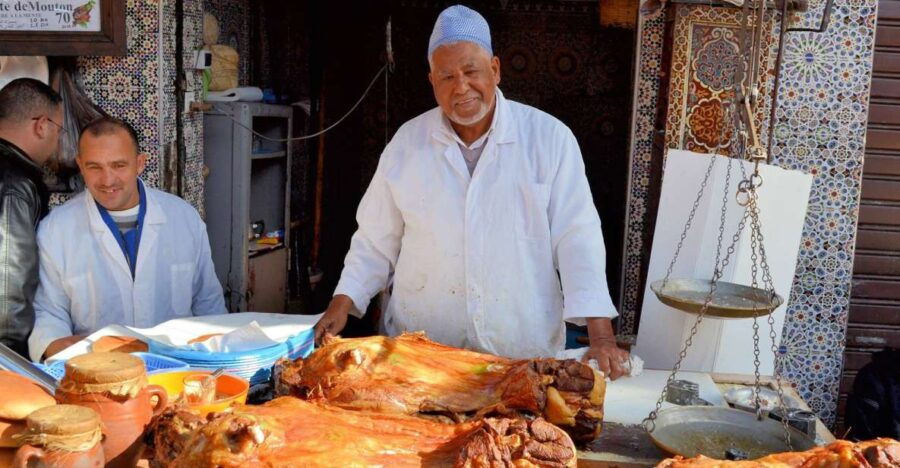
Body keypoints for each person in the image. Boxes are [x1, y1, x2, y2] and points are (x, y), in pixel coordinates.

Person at [314, 5, 631, 378]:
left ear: (495, 69)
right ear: (431, 82)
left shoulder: (549, 140)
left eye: (471, 71)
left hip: (520, 352)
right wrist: (342, 302)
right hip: (422, 355)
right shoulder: (407, 144)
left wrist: (601, 335)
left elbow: (577, 238)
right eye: (447, 76)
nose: (461, 87)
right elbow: (375, 239)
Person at [28, 117, 226, 361]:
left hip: (179, 367)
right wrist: (58, 347)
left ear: (139, 163)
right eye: (94, 167)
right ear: (80, 165)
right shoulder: (56, 230)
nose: (107, 180)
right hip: (97, 374)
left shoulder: (183, 218)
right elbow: (49, 311)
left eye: (119, 165)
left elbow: (209, 304)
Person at [0, 78, 63, 357]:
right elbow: (7, 279)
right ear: (42, 126)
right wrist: (11, 356)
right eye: (58, 130)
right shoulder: (14, 184)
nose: (57, 140)